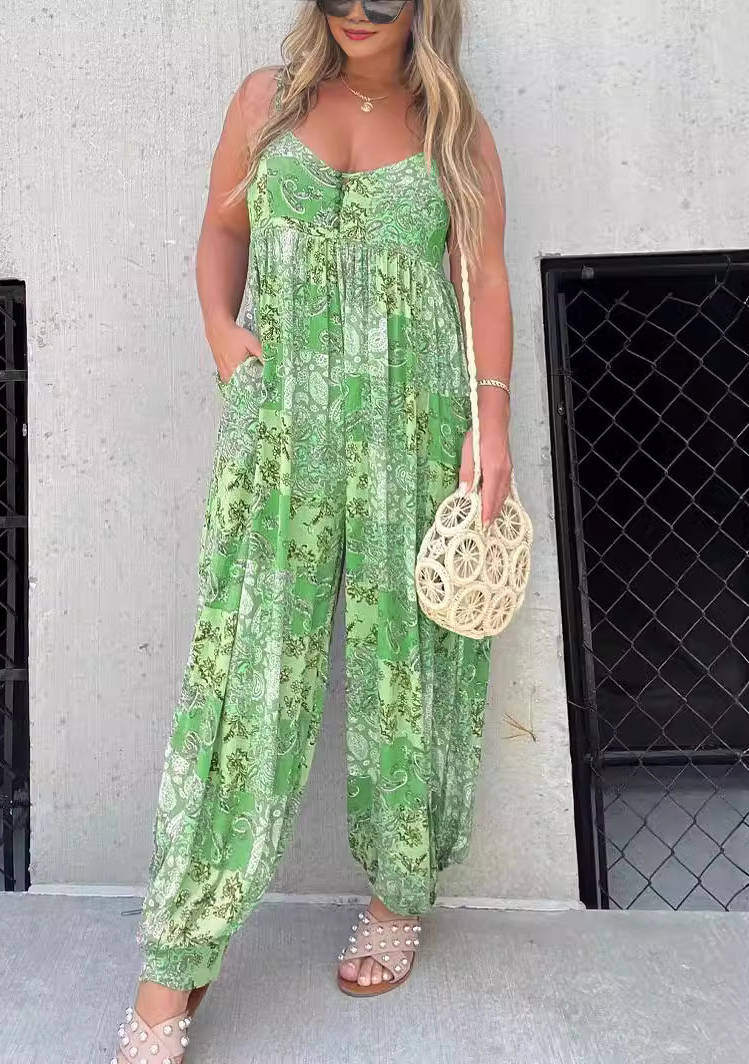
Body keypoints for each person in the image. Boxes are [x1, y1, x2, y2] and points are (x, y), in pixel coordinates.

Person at [114, 2, 513, 1059]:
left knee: (405, 668)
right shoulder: (265, 102)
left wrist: (493, 425)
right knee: (242, 678)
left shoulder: (453, 126)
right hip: (282, 428)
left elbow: (482, 277)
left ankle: (398, 891)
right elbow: (223, 230)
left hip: (413, 424)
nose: (360, 12)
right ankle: (175, 959)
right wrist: (221, 331)